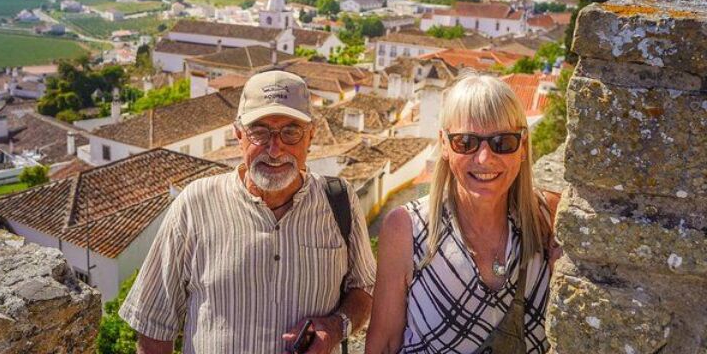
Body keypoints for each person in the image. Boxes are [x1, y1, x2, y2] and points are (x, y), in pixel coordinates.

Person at [119, 70, 376, 354]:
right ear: (239, 135)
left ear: (311, 136)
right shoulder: (195, 204)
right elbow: (153, 328)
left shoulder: (339, 201)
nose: (275, 149)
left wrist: (338, 326)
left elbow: (365, 287)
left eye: (291, 131)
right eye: (259, 131)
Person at [365, 71, 560, 354]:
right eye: (466, 142)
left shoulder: (550, 217)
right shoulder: (407, 229)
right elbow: (384, 343)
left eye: (502, 142)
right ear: (444, 144)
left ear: (523, 147)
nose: (484, 158)